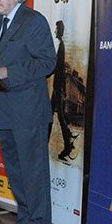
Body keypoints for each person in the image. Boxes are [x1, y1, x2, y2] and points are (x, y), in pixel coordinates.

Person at [0, 0, 56, 224]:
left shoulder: (34, 21)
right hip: (5, 110)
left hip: (28, 112)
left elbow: (47, 62)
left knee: (33, 174)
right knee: (16, 174)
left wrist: (8, 72)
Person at [51, 20, 78, 161]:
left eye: (56, 29)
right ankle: (67, 141)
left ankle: (67, 144)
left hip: (57, 87)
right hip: (56, 86)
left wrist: (60, 90)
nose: (55, 31)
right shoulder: (60, 45)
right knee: (54, 116)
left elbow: (58, 68)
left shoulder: (59, 45)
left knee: (57, 116)